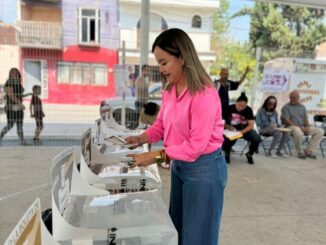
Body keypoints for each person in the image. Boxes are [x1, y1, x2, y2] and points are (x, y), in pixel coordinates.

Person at [125, 28, 227, 245]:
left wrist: (155, 156)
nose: (161, 69)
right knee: (177, 231)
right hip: (179, 165)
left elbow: (195, 147)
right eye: (158, 64)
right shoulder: (171, 89)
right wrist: (140, 139)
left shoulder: (204, 94)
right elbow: (162, 125)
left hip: (204, 169)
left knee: (198, 238)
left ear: (182, 57)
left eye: (164, 62)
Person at [281, 90, 324, 159]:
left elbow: (305, 119)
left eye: (295, 97)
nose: (293, 99)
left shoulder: (302, 107)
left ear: (298, 98)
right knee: (298, 132)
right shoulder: (286, 107)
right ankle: (299, 152)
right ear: (289, 98)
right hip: (291, 126)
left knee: (320, 131)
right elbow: (287, 120)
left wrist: (307, 126)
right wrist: (300, 127)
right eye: (292, 97)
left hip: (302, 126)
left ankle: (308, 151)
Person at [222, 92, 261, 164]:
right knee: (227, 138)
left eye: (244, 106)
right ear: (236, 102)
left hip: (244, 130)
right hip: (231, 130)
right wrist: (228, 126)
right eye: (239, 105)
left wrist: (241, 132)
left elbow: (251, 125)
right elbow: (221, 121)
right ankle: (227, 152)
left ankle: (249, 154)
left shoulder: (248, 110)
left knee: (257, 139)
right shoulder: (229, 108)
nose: (241, 108)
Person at [0, 68, 31, 145]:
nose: (14, 73)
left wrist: (29, 94)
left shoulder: (18, 83)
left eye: (16, 72)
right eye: (12, 72)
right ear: (10, 74)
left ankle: (23, 141)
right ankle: (0, 137)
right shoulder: (9, 82)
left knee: (19, 124)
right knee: (10, 125)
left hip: (18, 107)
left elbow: (19, 95)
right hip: (11, 107)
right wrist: (20, 103)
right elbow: (10, 95)